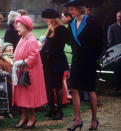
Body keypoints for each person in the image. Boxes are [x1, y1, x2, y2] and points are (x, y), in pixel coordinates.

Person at [65, 0, 103, 130]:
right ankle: (77, 119)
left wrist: (94, 58)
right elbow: (70, 41)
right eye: (69, 9)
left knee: (90, 90)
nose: (70, 11)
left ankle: (94, 120)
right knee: (74, 89)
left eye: (72, 9)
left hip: (89, 61)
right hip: (76, 61)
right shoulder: (71, 24)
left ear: (80, 8)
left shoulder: (92, 22)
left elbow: (100, 43)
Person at [12, 15, 47, 129]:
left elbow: (33, 57)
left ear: (25, 27)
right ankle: (23, 117)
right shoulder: (22, 38)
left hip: (29, 74)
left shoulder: (31, 40)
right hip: (21, 72)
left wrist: (21, 62)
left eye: (18, 26)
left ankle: (31, 118)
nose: (16, 28)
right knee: (21, 96)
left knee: (29, 97)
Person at [41, 8, 69, 120]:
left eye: (46, 18)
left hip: (57, 61)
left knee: (57, 87)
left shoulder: (61, 29)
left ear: (52, 18)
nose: (45, 20)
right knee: (48, 86)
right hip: (48, 62)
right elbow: (47, 45)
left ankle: (60, 111)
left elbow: (59, 46)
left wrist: (48, 52)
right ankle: (52, 109)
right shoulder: (50, 29)